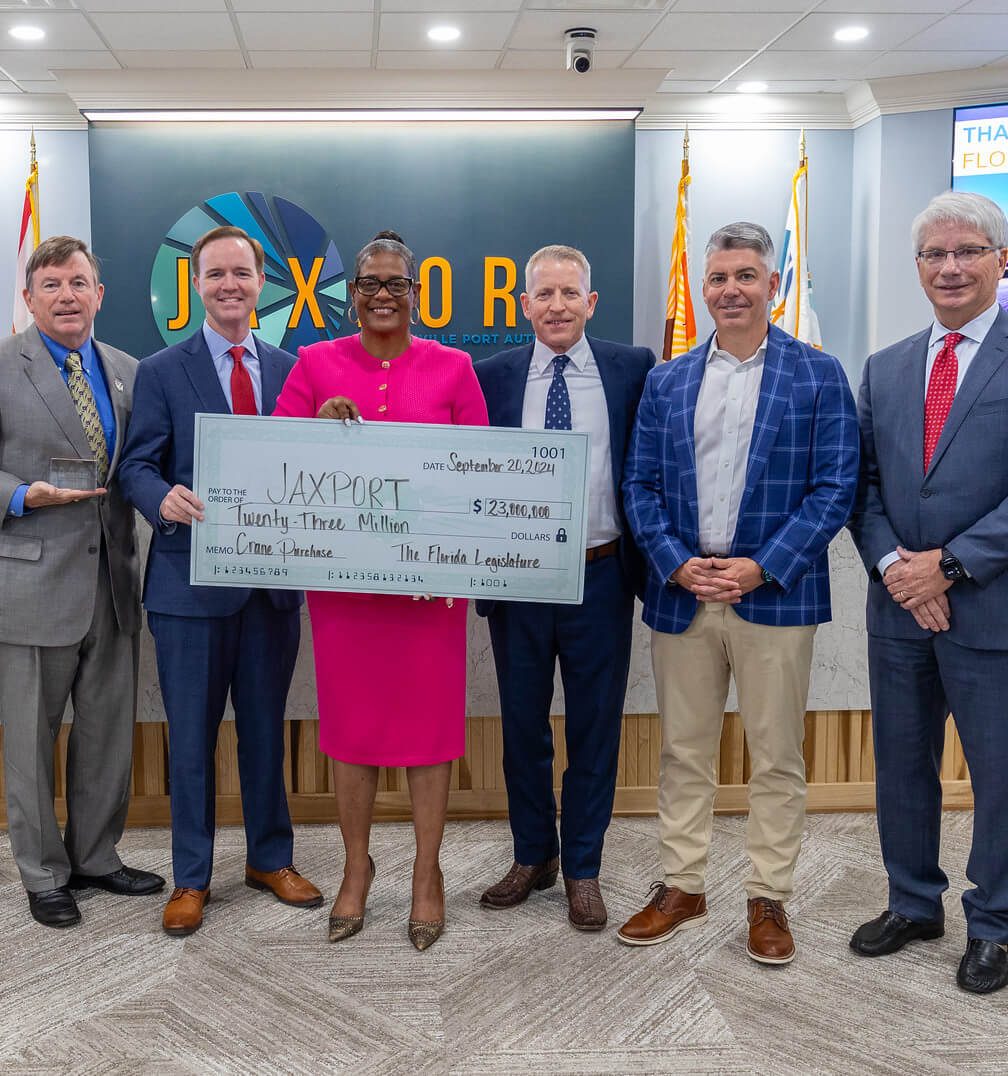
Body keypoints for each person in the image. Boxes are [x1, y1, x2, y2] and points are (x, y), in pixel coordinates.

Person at [845, 192, 1008, 994]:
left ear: (1000, 260)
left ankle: (994, 924)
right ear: (917, 267)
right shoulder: (885, 366)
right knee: (902, 769)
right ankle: (914, 901)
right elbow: (866, 488)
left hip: (997, 609)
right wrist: (895, 570)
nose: (949, 267)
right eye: (933, 255)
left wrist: (945, 567)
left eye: (967, 251)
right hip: (899, 609)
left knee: (999, 775)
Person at [618, 220, 858, 963]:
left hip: (774, 593)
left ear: (773, 287)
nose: (730, 290)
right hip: (683, 593)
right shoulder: (668, 379)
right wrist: (674, 561)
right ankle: (683, 885)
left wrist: (762, 564)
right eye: (718, 278)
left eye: (746, 276)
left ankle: (768, 898)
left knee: (775, 755)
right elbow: (641, 486)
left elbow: (835, 486)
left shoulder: (818, 374)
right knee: (683, 751)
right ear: (704, 288)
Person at [0, 235, 162, 931]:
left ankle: (95, 855)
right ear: (29, 298)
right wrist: (22, 496)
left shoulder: (128, 370)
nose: (66, 295)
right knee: (29, 741)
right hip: (26, 583)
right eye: (52, 284)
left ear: (98, 294)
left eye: (78, 282)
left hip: (112, 584)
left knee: (107, 734)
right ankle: (43, 872)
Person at [272, 230, 488, 951]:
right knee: (352, 736)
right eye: (371, 284)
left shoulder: (454, 367)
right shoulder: (312, 363)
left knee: (430, 740)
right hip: (345, 596)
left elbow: (480, 475)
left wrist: (454, 561)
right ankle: (356, 869)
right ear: (351, 294)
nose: (384, 295)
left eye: (397, 284)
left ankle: (428, 874)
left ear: (416, 295)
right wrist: (313, 431)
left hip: (431, 597)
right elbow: (275, 459)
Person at [117, 226, 319, 936]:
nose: (229, 285)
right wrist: (159, 498)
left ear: (262, 281)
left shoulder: (293, 367)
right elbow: (136, 465)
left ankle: (271, 858)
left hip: (270, 590)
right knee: (192, 738)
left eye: (242, 272)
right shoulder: (161, 370)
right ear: (195, 285)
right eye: (215, 274)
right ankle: (192, 877)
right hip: (188, 591)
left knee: (266, 732)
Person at [471, 244, 653, 932]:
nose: (556, 306)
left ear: (590, 302)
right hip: (517, 584)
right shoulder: (490, 376)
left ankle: (582, 868)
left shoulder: (633, 369)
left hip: (601, 575)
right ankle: (531, 856)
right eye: (542, 295)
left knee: (594, 729)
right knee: (522, 729)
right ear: (524, 306)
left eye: (568, 294)